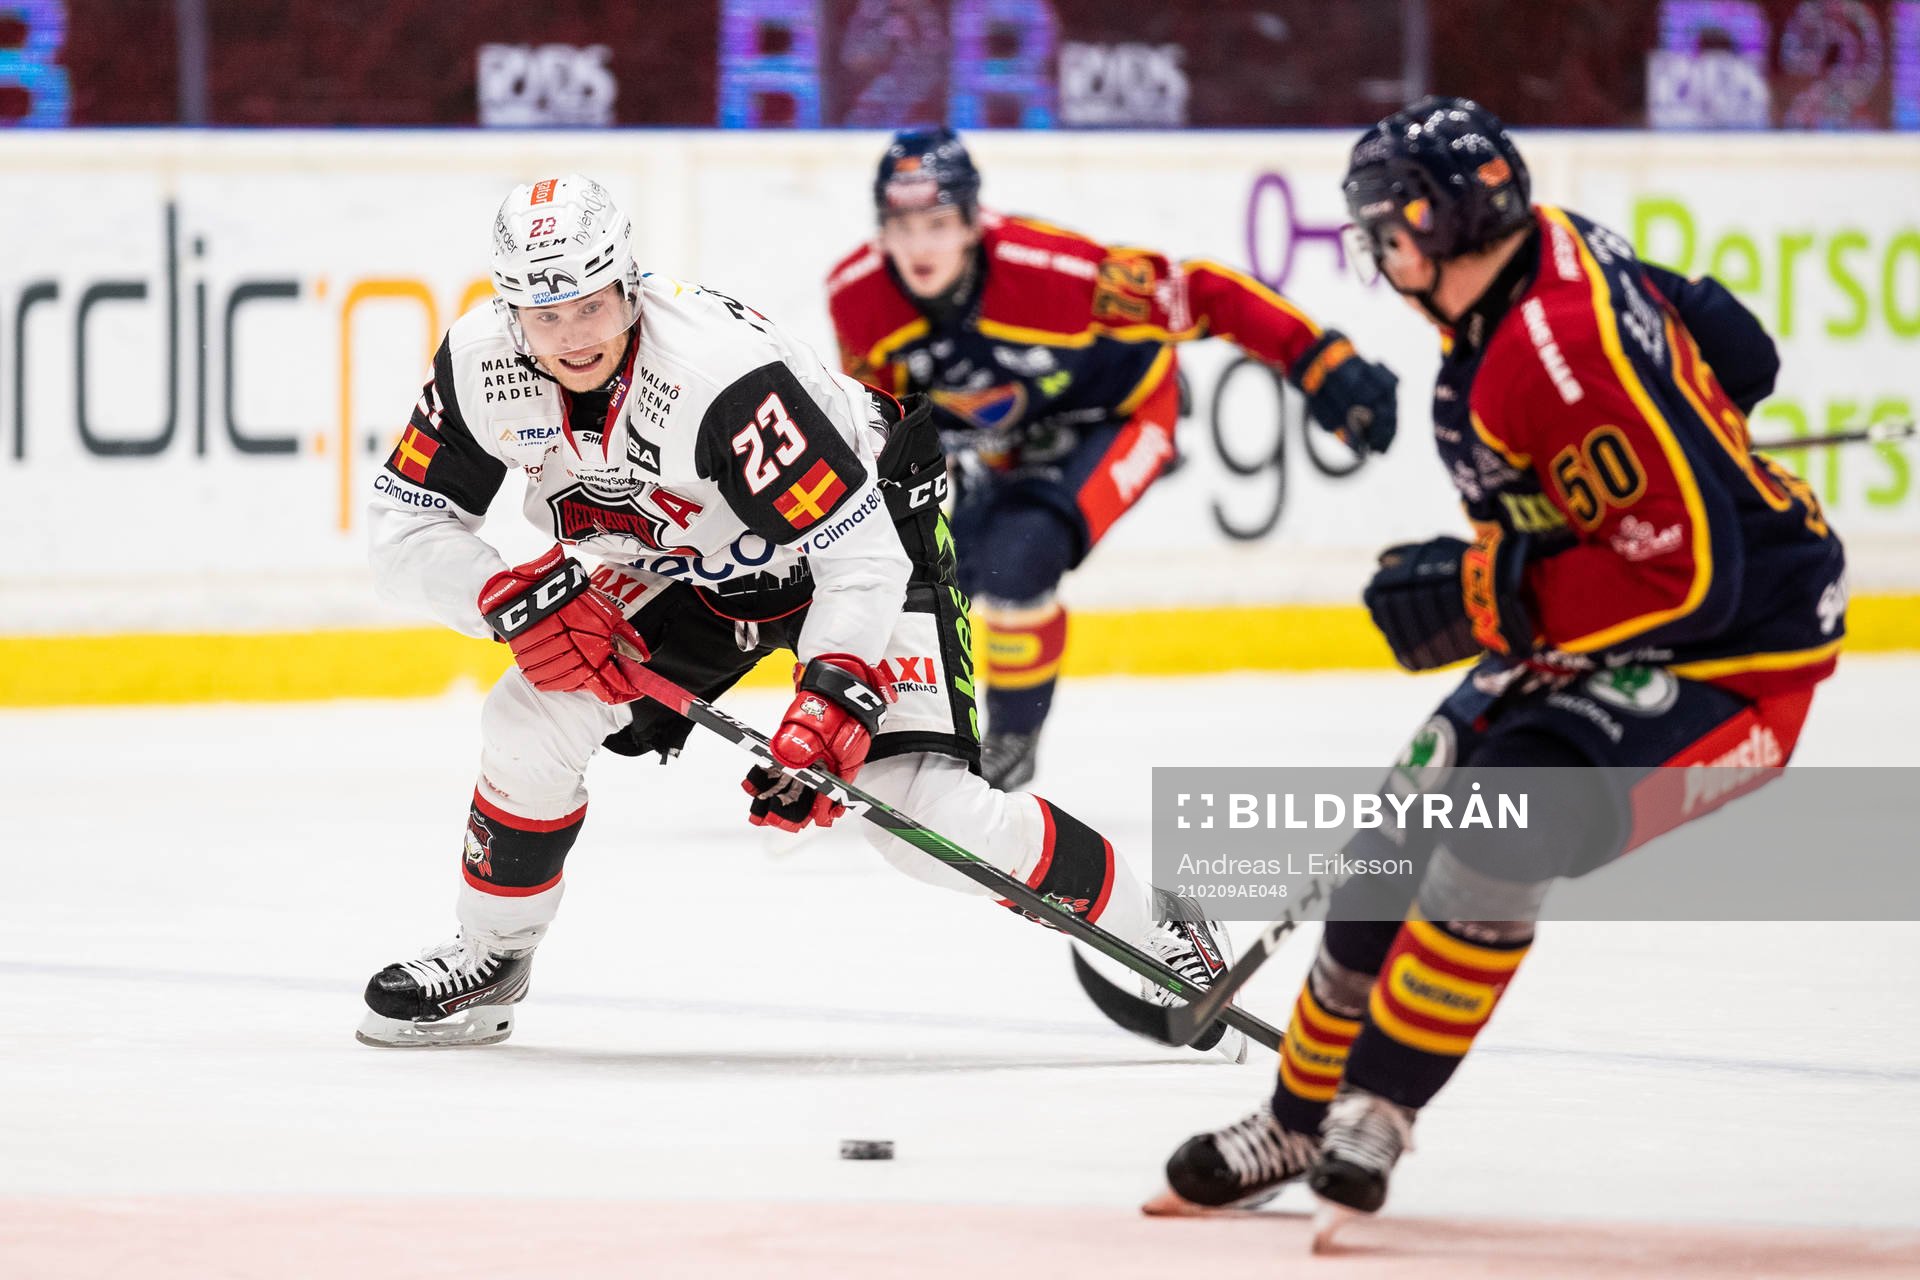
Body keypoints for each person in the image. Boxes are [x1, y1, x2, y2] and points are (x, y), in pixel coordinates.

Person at [1150, 99, 1846, 1232]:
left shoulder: (1550, 354)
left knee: (1497, 838)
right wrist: (1681, 431)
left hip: (1737, 662)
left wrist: (1491, 591)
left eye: (1387, 230)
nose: (1381, 254)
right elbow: (1742, 353)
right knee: (1390, 846)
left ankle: (1377, 1109)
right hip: (1614, 624)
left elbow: (1695, 581)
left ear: (1435, 223)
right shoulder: (1554, 247)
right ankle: (1295, 1119)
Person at [355, 174, 1244, 1058]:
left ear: (628, 284)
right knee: (528, 717)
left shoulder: (716, 375)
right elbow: (401, 529)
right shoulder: (479, 364)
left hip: (860, 539)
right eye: (546, 316)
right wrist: (506, 597)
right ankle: (492, 957)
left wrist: (830, 695)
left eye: (592, 305)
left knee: (922, 813)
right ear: (511, 311)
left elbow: (857, 555)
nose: (574, 336)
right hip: (686, 562)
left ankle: (1163, 926)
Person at [826, 127, 1400, 790]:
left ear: (973, 223)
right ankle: (901, 730)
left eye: (938, 223)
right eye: (901, 227)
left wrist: (1320, 363)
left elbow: (1202, 294)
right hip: (1005, 441)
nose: (919, 247)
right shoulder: (857, 296)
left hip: (1122, 415)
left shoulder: (1056, 274)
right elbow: (886, 423)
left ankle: (1011, 740)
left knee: (1021, 555)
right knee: (929, 572)